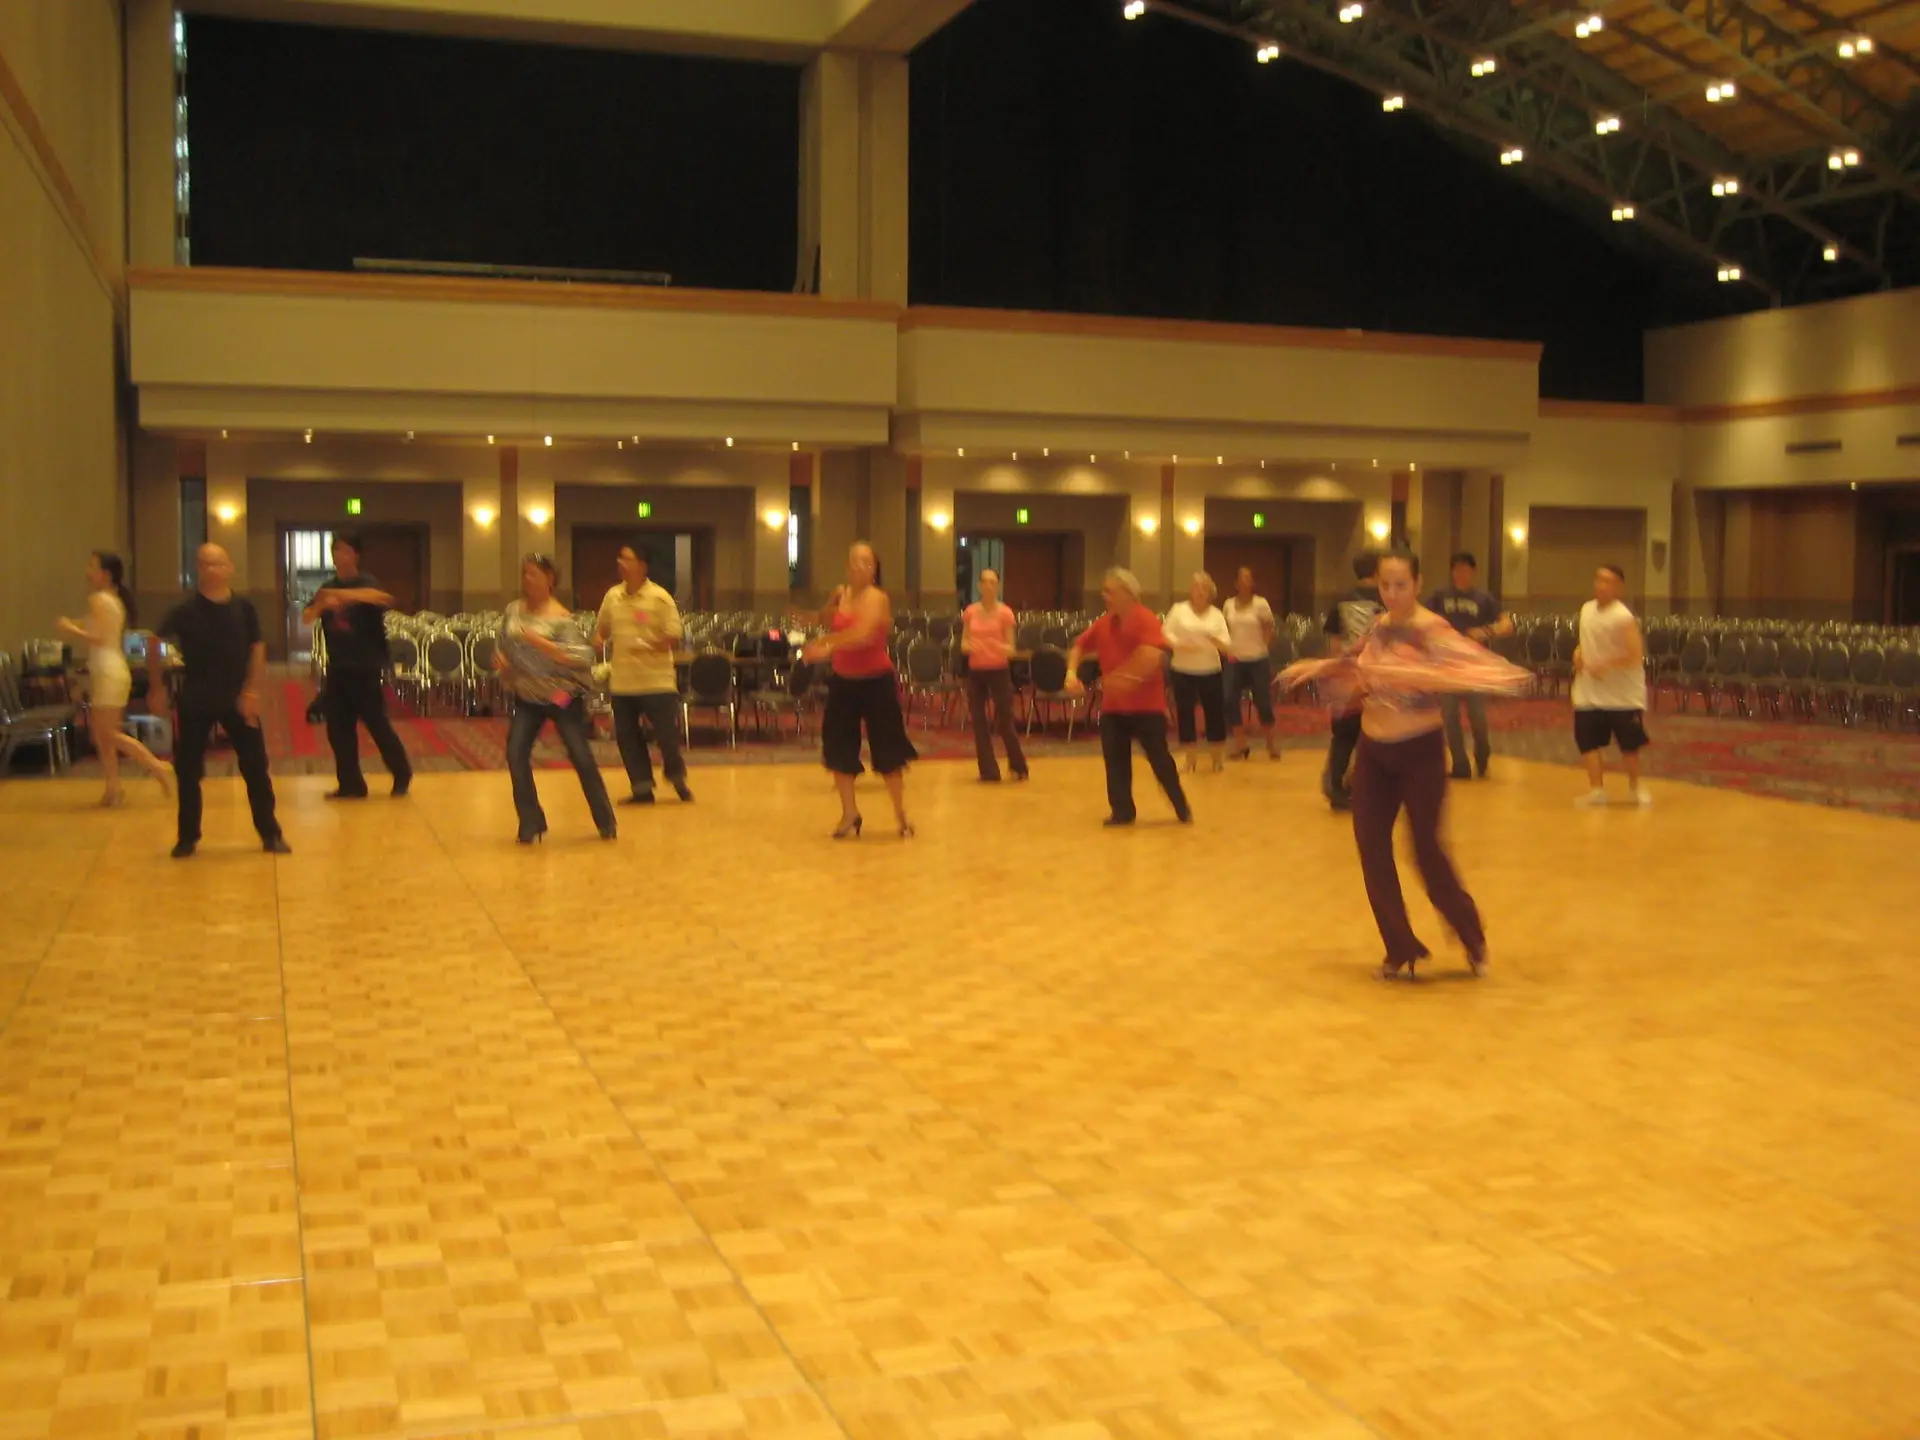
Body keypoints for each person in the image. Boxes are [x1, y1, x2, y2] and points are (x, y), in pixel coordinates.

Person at [1280, 550, 1532, 979]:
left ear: (1417, 584)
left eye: (1400, 585)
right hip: (1374, 753)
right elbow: (1354, 661)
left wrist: (1473, 675)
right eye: (1385, 585)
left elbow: (1464, 665)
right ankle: (1400, 949)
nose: (1392, 593)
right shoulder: (1380, 626)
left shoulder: (1431, 629)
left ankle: (1471, 936)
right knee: (1371, 847)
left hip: (1420, 753)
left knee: (1427, 852)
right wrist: (1319, 666)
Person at [148, 544, 289, 859]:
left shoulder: (243, 608)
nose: (211, 569)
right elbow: (154, 641)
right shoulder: (185, 609)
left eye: (217, 563)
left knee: (256, 766)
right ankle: (187, 837)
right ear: (198, 569)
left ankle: (270, 832)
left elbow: (257, 648)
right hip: (196, 696)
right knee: (188, 770)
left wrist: (251, 690)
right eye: (205, 564)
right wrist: (156, 686)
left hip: (238, 697)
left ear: (229, 568)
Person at [494, 554, 617, 844]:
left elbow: (582, 656)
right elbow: (502, 641)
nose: (527, 580)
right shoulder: (514, 610)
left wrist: (540, 642)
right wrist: (502, 659)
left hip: (561, 695)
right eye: (525, 574)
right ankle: (531, 821)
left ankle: (605, 819)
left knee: (579, 753)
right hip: (528, 694)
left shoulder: (561, 619)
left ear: (549, 579)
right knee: (515, 752)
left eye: (534, 574)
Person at [801, 542, 916, 838]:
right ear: (847, 565)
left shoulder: (878, 598)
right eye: (855, 561)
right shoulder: (842, 593)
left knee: (888, 750)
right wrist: (817, 615)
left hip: (876, 682)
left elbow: (863, 634)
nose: (860, 566)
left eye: (866, 562)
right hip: (843, 681)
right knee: (838, 747)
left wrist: (826, 646)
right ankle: (849, 813)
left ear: (874, 569)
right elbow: (825, 619)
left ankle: (900, 815)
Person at [1067, 567, 1191, 827]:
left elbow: (1153, 655)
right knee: (1115, 761)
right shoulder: (1104, 622)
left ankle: (1181, 805)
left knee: (1160, 760)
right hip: (1114, 709)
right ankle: (1122, 811)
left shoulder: (1146, 620)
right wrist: (1071, 673)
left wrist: (1122, 678)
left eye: (1110, 591)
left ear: (1128, 593)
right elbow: (1079, 645)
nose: (1105, 596)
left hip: (1147, 708)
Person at [55, 551, 171, 807]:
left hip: (108, 671)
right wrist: (75, 623)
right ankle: (113, 788)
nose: (87, 571)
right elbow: (96, 626)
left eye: (92, 566)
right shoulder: (109, 599)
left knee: (108, 734)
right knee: (101, 735)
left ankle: (156, 766)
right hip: (108, 670)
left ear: (105, 575)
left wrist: (70, 629)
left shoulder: (99, 599)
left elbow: (98, 637)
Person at [301, 532, 413, 800]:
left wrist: (342, 597)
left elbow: (382, 598)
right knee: (338, 728)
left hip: (366, 666)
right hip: (338, 667)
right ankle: (351, 784)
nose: (338, 555)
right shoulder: (327, 587)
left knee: (376, 723)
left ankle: (402, 772)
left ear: (355, 555)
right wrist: (322, 605)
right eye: (335, 550)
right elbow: (306, 616)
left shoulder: (366, 582)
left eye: (344, 550)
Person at [595, 544, 692, 805]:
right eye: (620, 558)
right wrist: (597, 640)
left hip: (656, 681)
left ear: (642, 565)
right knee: (628, 738)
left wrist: (651, 644)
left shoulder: (660, 598)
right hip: (623, 681)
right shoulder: (612, 596)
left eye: (627, 559)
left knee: (667, 736)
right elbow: (601, 629)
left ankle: (677, 777)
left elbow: (674, 634)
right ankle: (642, 788)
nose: (621, 563)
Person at [1426, 551, 1514, 780]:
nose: (1461, 574)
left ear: (1473, 572)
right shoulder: (1439, 596)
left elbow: (1507, 625)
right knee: (1450, 717)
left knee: (1477, 717)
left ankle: (1482, 757)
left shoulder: (1483, 599)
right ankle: (1460, 765)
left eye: (1465, 569)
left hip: (1474, 666)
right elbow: (1423, 619)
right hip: (1447, 665)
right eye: (1457, 569)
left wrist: (1485, 631)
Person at [1572, 564, 1653, 807]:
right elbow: (1585, 641)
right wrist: (1578, 654)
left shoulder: (1623, 617)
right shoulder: (1586, 609)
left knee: (1628, 745)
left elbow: (1635, 654)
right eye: (1598, 579)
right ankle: (1597, 790)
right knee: (1587, 742)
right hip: (1588, 690)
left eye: (1607, 581)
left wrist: (1607, 665)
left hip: (1622, 695)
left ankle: (1635, 787)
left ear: (1619, 587)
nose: (1601, 585)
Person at [1320, 551, 1383, 810]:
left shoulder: (1341, 600)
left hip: (1348, 676)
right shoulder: (1387, 600)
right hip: (1378, 677)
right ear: (1377, 571)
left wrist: (1336, 672)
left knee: (1344, 735)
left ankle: (1335, 786)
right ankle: (1364, 787)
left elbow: (1334, 643)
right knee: (1376, 735)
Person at [960, 568, 1028, 783]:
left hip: (999, 671)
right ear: (979, 586)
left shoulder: (1005, 613)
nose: (988, 586)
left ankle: (1018, 766)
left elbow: (1012, 650)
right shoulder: (970, 612)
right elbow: (963, 644)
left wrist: (996, 646)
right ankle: (988, 771)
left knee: (1005, 721)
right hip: (976, 671)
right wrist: (969, 646)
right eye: (985, 582)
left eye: (992, 582)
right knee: (978, 722)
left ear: (997, 586)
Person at [1163, 571, 1232, 772]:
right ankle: (1190, 759)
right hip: (1182, 669)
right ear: (1190, 590)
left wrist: (1213, 639)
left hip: (1210, 670)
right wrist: (1179, 644)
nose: (1199, 591)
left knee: (1214, 714)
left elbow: (1226, 644)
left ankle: (1217, 759)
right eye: (1196, 587)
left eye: (1203, 588)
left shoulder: (1217, 615)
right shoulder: (1178, 610)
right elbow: (1165, 633)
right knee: (1185, 714)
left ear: (1210, 592)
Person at [1222, 566, 1280, 760]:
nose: (1244, 582)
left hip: (1257, 660)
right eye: (1241, 578)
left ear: (1252, 583)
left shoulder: (1260, 604)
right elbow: (1224, 629)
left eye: (1248, 578)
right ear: (1236, 583)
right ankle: (1241, 744)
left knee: (1263, 702)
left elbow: (1269, 628)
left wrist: (1264, 647)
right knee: (1229, 699)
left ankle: (1271, 744)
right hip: (1234, 660)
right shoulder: (1228, 604)